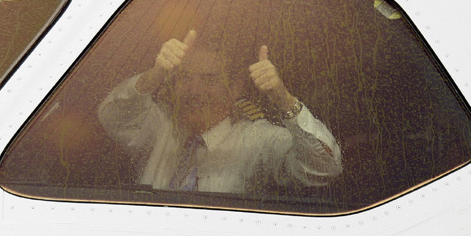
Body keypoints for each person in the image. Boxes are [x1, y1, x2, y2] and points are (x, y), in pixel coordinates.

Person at [97, 29, 342, 194]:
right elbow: (114, 117)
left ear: (235, 88)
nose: (194, 91)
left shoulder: (257, 141)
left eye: (209, 79)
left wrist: (283, 98)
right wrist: (155, 74)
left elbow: (323, 169)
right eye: (185, 77)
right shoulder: (161, 129)